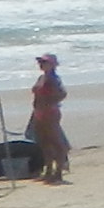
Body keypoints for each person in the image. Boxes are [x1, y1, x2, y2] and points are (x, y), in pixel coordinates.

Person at [28, 50, 70, 183]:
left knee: (56, 142)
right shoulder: (42, 77)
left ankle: (58, 172)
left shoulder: (53, 78)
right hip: (40, 112)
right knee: (44, 142)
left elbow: (63, 93)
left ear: (52, 64)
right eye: (40, 62)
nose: (41, 64)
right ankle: (49, 171)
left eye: (44, 62)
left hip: (50, 112)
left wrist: (50, 102)